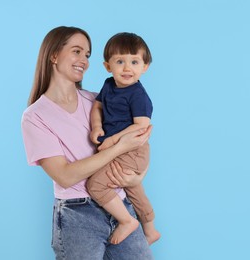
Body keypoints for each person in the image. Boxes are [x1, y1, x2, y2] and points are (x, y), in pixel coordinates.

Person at [21, 26, 153, 260]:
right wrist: (118, 147)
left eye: (87, 55)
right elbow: (65, 175)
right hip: (77, 216)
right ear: (54, 56)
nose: (84, 60)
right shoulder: (35, 116)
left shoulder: (96, 100)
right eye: (77, 51)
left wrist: (137, 178)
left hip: (121, 205)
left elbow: (139, 141)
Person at [86, 32, 160, 245]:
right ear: (108, 66)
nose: (127, 68)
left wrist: (113, 140)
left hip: (133, 149)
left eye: (134, 62)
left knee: (96, 185)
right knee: (132, 187)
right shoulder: (109, 85)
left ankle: (127, 221)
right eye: (120, 61)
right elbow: (97, 105)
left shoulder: (138, 95)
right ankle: (150, 229)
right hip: (120, 148)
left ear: (144, 67)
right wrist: (97, 126)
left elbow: (141, 126)